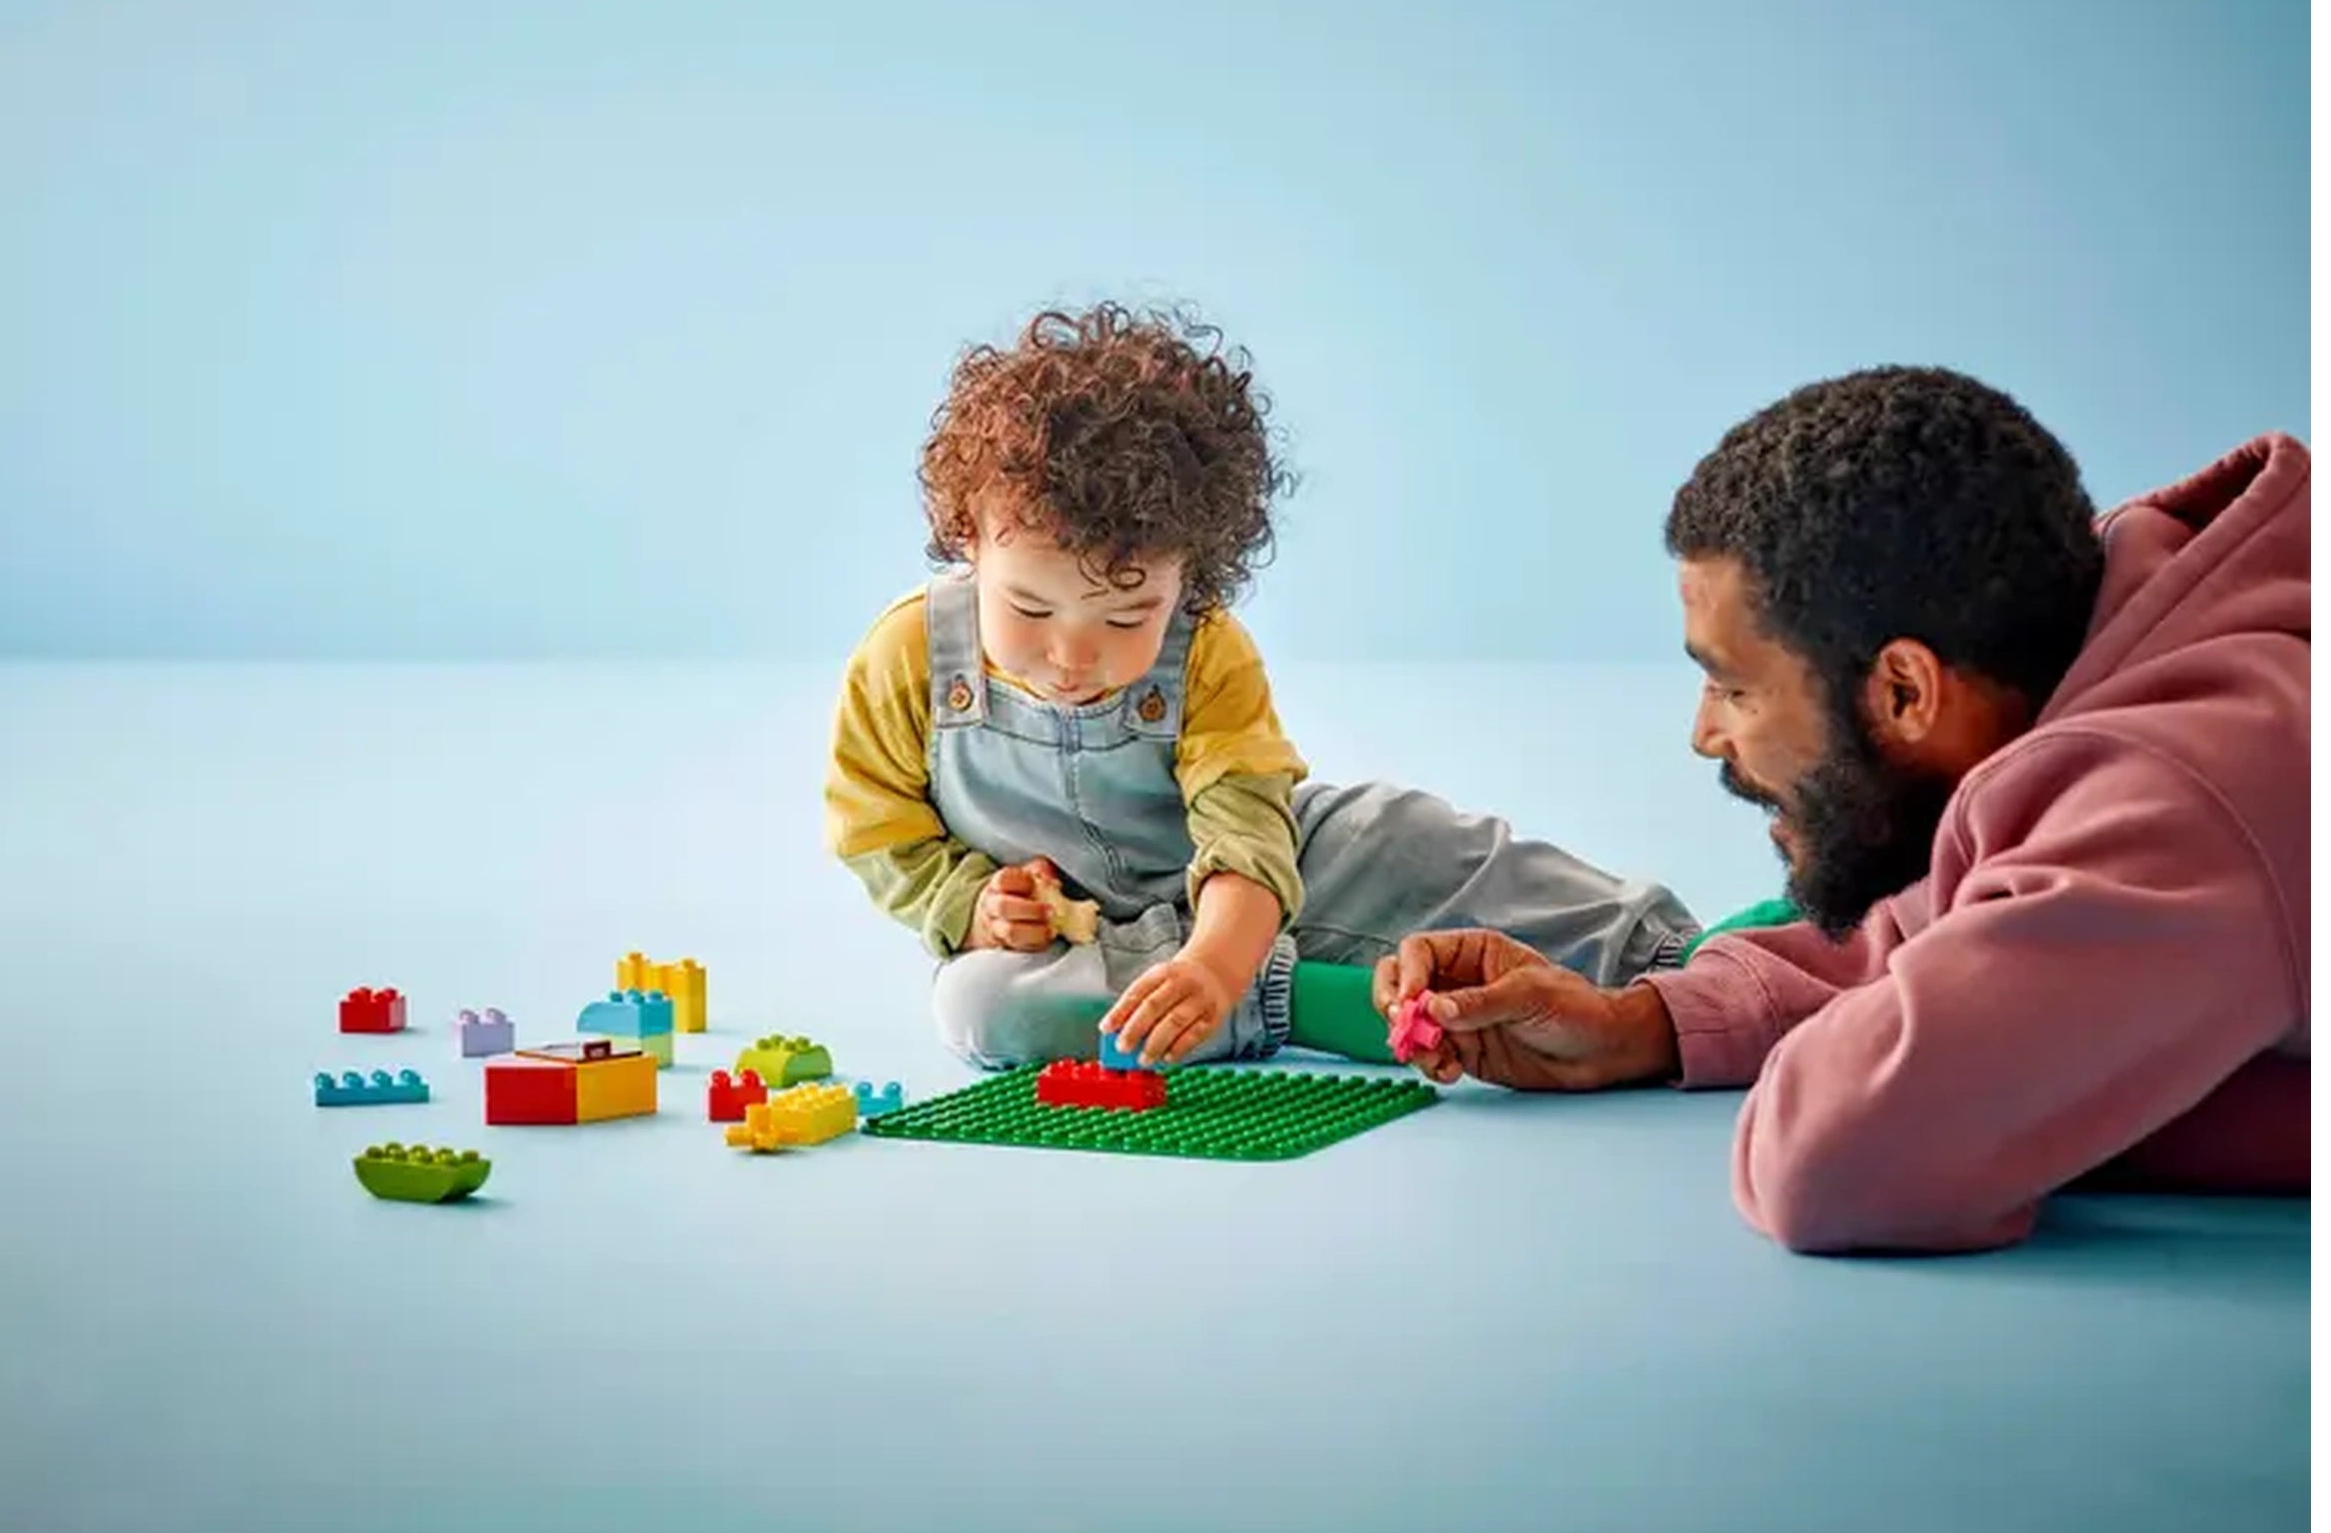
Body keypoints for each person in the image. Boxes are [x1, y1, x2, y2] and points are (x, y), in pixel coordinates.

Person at [1378, 367, 2310, 1255]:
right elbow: (1961, 923)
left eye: (1734, 688)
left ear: (1906, 690)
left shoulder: (2192, 793)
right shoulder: (2110, 634)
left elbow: (1836, 1160)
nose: (1706, 737)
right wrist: (1639, 1026)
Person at [825, 301, 1698, 1068]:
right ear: (968, 542)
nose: (1072, 656)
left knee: (1404, 838)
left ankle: (1681, 956)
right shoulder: (907, 657)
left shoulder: (1206, 649)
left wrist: (1215, 959)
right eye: (1028, 608)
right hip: (1073, 949)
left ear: (1189, 580)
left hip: (1251, 885)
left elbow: (1246, 827)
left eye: (1128, 620)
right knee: (987, 1007)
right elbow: (877, 830)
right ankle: (1311, 1000)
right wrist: (969, 905)